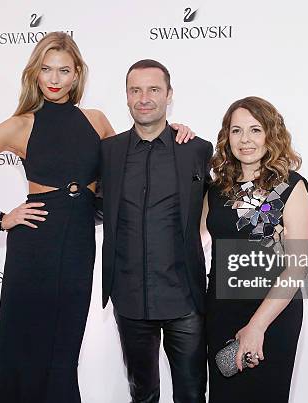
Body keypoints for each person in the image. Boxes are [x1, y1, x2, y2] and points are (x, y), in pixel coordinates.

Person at [0, 33, 194, 403]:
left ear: (76, 76)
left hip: (77, 244)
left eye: (64, 71)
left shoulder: (95, 120)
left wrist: (174, 131)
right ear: (35, 75)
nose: (54, 79)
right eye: (46, 69)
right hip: (34, 243)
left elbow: (136, 154)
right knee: (20, 346)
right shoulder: (19, 125)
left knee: (63, 348)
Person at [99, 59, 213, 403]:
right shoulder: (109, 151)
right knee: (142, 394)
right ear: (127, 96)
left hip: (185, 298)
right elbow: (88, 203)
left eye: (153, 90)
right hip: (130, 298)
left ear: (169, 95)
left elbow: (223, 203)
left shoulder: (196, 149)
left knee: (192, 395)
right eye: (136, 90)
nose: (144, 98)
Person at [202, 96, 308, 403]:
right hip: (221, 310)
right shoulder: (215, 189)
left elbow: (296, 267)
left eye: (255, 130)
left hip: (272, 313)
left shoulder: (291, 186)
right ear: (227, 137)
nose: (245, 139)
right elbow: (191, 240)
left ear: (270, 135)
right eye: (236, 131)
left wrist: (257, 325)